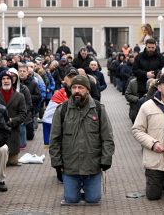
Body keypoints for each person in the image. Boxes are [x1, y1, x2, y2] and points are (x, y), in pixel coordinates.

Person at [49, 75, 115, 203]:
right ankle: (73, 191)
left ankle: (87, 191)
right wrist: (57, 162)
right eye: (74, 87)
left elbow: (107, 137)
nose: (77, 90)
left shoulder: (98, 109)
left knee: (94, 199)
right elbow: (54, 139)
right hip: (70, 166)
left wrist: (106, 160)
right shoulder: (62, 109)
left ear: (88, 90)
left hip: (92, 165)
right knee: (71, 199)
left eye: (81, 87)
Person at [0, 70, 26, 165]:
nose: (6, 81)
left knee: (12, 162)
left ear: (12, 81)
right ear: (1, 81)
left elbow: (23, 114)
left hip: (13, 133)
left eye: (8, 78)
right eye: (3, 79)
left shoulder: (19, 96)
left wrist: (11, 120)